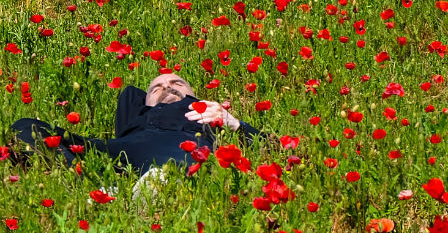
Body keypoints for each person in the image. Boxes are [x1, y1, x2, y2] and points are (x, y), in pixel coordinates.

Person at [11, 72, 262, 177]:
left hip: (179, 142)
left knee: (172, 165)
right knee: (26, 125)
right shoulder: (137, 113)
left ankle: (153, 184)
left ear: (194, 93)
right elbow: (129, 94)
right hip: (124, 146)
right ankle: (88, 178)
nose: (167, 88)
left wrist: (233, 123)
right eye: (157, 87)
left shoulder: (206, 111)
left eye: (177, 84)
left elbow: (270, 147)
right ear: (146, 98)